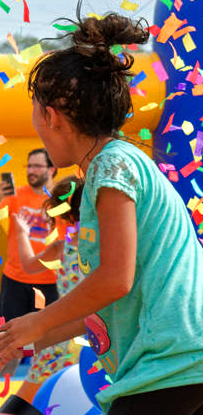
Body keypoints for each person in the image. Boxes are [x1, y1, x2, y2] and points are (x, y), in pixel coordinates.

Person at [0, 10, 203, 415]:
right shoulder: (118, 164)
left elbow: (115, 279)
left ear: (50, 116)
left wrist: (39, 321)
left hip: (175, 361)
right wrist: (27, 336)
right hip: (196, 358)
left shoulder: (110, 165)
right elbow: (106, 304)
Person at [0, 177, 83, 414]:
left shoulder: (64, 246)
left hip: (60, 340)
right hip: (93, 341)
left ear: (62, 215)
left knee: (28, 400)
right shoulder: (103, 247)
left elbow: (28, 264)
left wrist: (22, 233)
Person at [0, 148, 57, 329]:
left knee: (45, 338)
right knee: (8, 338)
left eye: (37, 166)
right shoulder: (15, 195)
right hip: (14, 281)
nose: (31, 171)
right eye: (29, 166)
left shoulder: (62, 198)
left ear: (52, 169)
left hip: (49, 282)